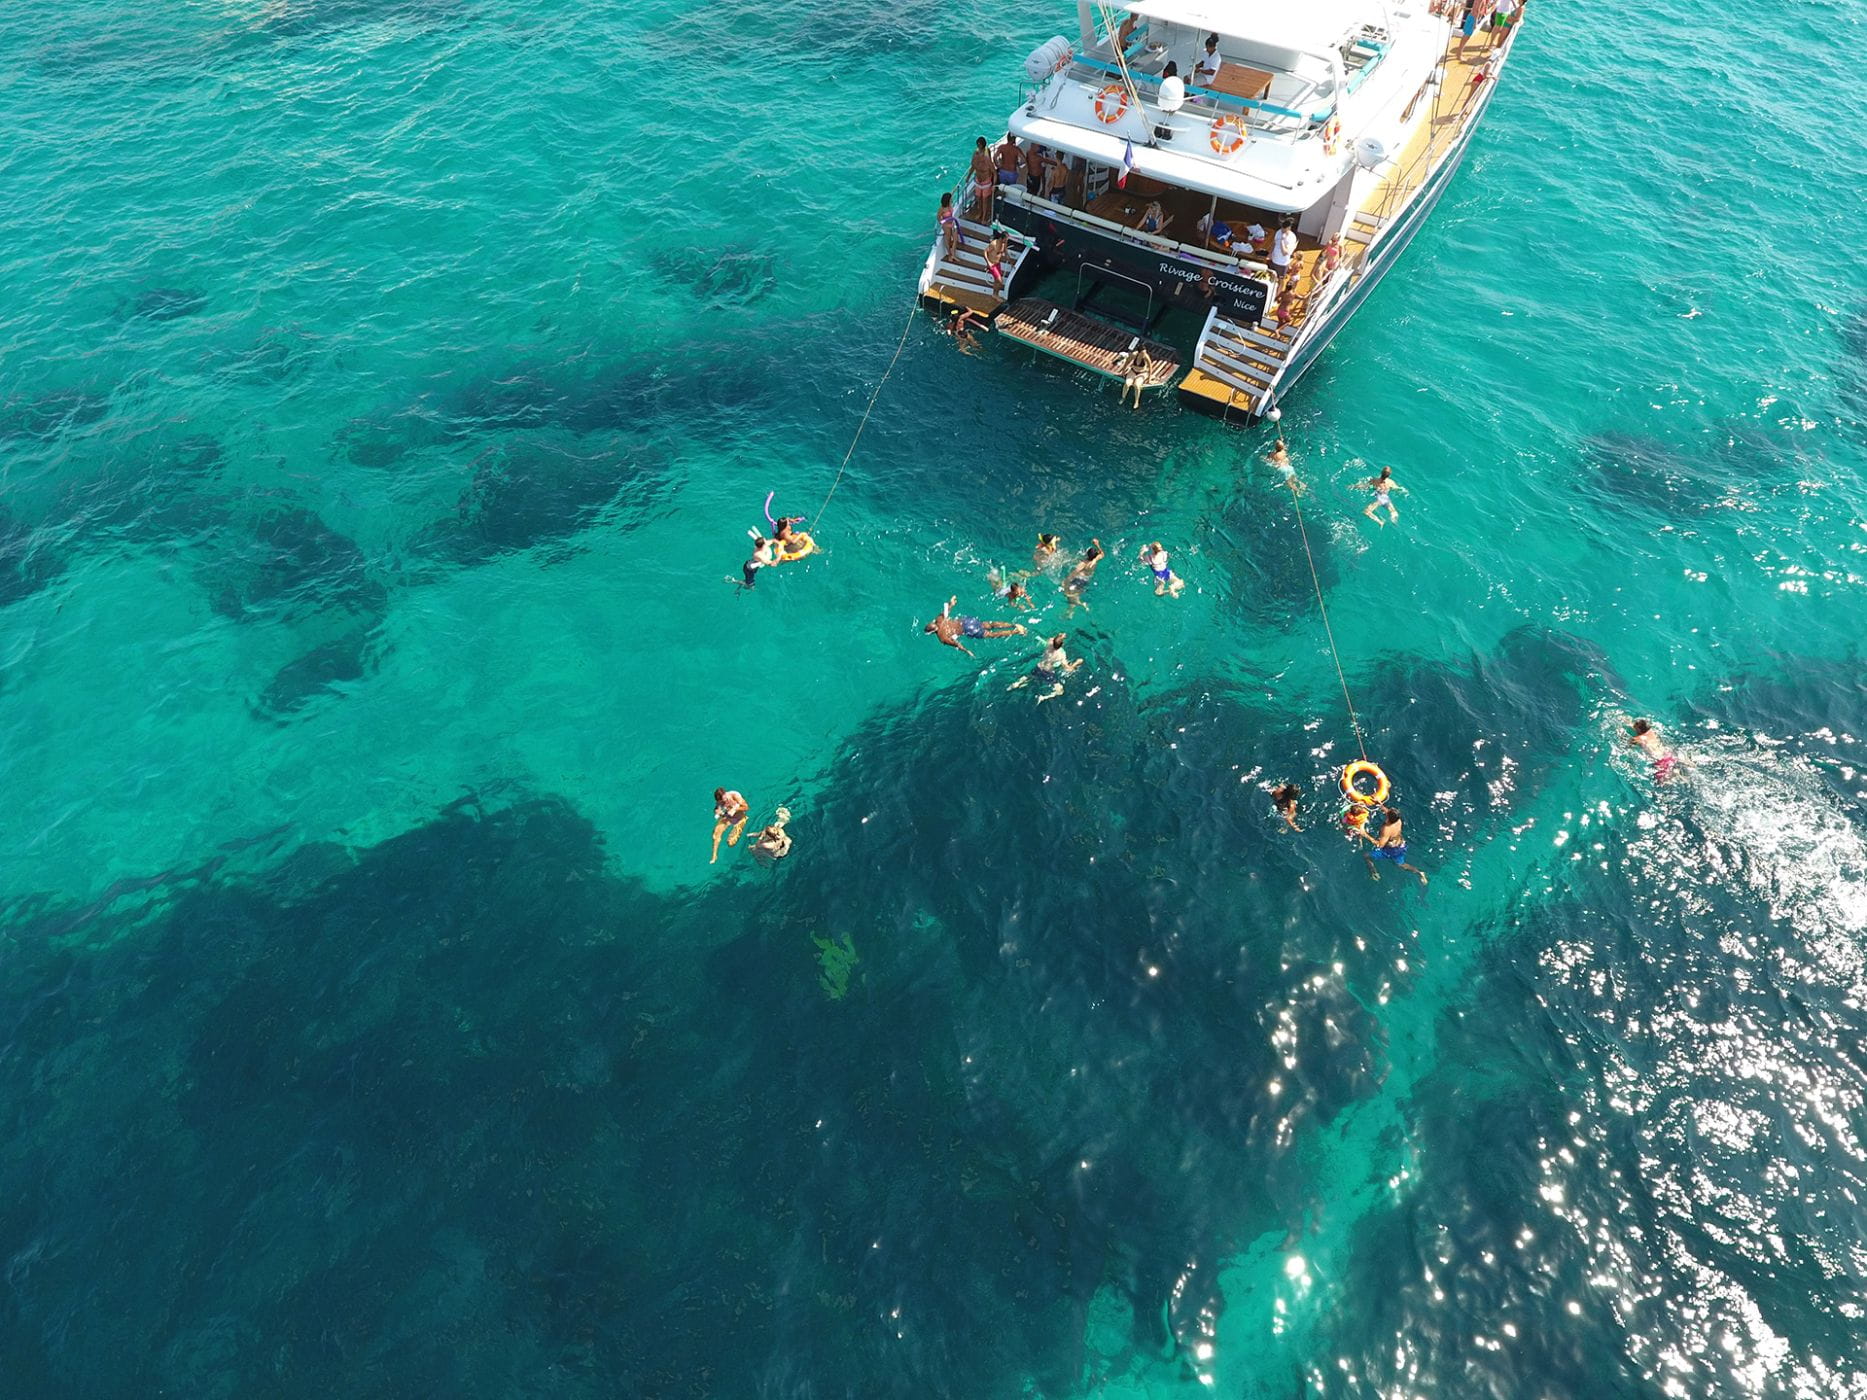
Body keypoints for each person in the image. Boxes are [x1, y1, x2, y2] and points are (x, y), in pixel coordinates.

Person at [926, 595, 1027, 656]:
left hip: (968, 629)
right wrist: (952, 602)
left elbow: (956, 644)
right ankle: (1014, 624)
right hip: (967, 621)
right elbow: (947, 609)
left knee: (991, 634)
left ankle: (1016, 631)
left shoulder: (942, 638)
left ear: (932, 632)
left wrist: (967, 651)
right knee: (989, 624)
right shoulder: (939, 619)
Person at [1358, 806, 1427, 884]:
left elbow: (1380, 845)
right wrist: (1381, 805)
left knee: (1366, 856)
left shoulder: (1386, 829)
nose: (1386, 813)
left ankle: (1374, 873)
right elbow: (1390, 814)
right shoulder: (1398, 821)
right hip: (1401, 845)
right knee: (1400, 864)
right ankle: (1420, 872)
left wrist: (1365, 834)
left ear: (1388, 818)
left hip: (1391, 850)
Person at [1008, 632, 1083, 702]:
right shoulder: (1061, 655)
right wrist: (1077, 663)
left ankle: (1015, 684)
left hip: (1038, 667)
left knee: (1029, 677)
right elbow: (1067, 669)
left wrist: (1060, 636)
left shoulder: (1049, 643)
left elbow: (1053, 639)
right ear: (1062, 645)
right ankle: (1043, 697)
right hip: (1048, 673)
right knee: (1060, 691)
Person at [1628, 718, 1677, 783]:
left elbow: (1628, 744)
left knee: (1661, 783)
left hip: (1660, 761)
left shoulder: (1639, 738)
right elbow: (1637, 728)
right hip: (1668, 755)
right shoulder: (1651, 732)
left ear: (1639, 730)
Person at [1062, 539, 1103, 612]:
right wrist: (1097, 545)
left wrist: (1065, 581)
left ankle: (1083, 605)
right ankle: (1070, 612)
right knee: (1074, 596)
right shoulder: (1095, 561)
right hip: (1086, 580)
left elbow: (1074, 573)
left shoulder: (1083, 563)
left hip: (1079, 580)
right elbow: (1102, 554)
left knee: (1070, 595)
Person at [711, 788, 750, 863]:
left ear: (726, 794)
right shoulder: (720, 801)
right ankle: (714, 855)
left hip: (739, 819)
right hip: (728, 818)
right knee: (715, 835)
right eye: (721, 801)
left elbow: (746, 807)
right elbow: (717, 809)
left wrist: (734, 809)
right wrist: (717, 811)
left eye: (724, 800)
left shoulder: (735, 795)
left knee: (730, 843)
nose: (724, 802)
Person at [1118, 345, 1155, 409]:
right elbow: (1127, 362)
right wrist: (1123, 372)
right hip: (1133, 371)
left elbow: (1150, 368)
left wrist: (1149, 379)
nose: (1144, 354)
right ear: (1139, 352)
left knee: (1137, 385)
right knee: (1127, 383)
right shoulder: (1134, 355)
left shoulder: (1146, 357)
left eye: (1145, 352)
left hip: (1142, 373)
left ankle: (1136, 401)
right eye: (1143, 353)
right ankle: (1123, 398)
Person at [969, 136, 996, 221]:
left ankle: (984, 216)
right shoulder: (975, 158)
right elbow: (973, 167)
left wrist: (994, 185)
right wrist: (968, 177)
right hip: (978, 181)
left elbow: (994, 173)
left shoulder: (987, 160)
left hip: (986, 182)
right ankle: (980, 212)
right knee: (978, 198)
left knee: (984, 200)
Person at [983, 226, 1011, 297]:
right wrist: (988, 263)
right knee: (1000, 281)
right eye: (1006, 239)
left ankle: (995, 295)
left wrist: (1010, 261)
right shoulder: (994, 244)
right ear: (1002, 238)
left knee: (997, 280)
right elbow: (985, 252)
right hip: (992, 264)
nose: (1006, 241)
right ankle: (995, 295)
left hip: (998, 264)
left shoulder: (1004, 244)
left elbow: (1005, 252)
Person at [1270, 219, 1299, 286]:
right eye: (1282, 228)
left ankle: (1277, 295)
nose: (1282, 230)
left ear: (1289, 228)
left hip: (1282, 263)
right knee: (1272, 277)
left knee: (1280, 281)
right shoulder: (1278, 232)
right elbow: (1274, 243)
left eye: (1284, 229)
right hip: (1274, 260)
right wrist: (1270, 253)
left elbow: (1285, 252)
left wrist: (1282, 240)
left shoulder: (1292, 237)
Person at [937, 191, 962, 257]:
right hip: (946, 225)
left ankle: (953, 254)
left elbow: (951, 193)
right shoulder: (942, 209)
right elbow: (938, 217)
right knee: (948, 239)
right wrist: (942, 222)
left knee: (955, 239)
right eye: (950, 199)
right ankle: (949, 254)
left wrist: (954, 190)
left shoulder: (950, 205)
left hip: (952, 223)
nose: (952, 199)